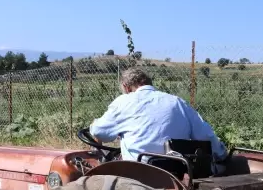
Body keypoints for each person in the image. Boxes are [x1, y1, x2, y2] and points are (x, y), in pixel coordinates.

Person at [89, 67, 228, 166]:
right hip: (178, 170)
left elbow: (98, 132)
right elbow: (205, 136)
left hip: (139, 174)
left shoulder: (124, 101)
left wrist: (94, 125)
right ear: (150, 83)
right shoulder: (177, 102)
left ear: (126, 87)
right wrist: (221, 155)